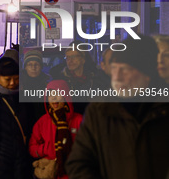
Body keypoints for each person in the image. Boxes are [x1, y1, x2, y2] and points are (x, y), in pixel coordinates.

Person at [66, 35, 169, 179]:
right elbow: (78, 163)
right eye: (115, 68)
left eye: (126, 69)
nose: (118, 77)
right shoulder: (99, 110)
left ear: (147, 73)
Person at [0, 50, 33, 179]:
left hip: (23, 160)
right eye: (8, 79)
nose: (13, 83)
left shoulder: (23, 98)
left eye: (16, 78)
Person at [29, 80, 82, 179]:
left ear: (65, 96)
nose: (54, 98)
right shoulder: (42, 122)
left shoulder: (78, 120)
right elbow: (32, 147)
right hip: (50, 172)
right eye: (50, 95)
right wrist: (46, 149)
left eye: (58, 94)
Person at [21, 49, 51, 124]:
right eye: (30, 64)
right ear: (25, 67)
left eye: (36, 64)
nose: (33, 68)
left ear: (41, 66)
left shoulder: (48, 84)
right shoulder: (20, 84)